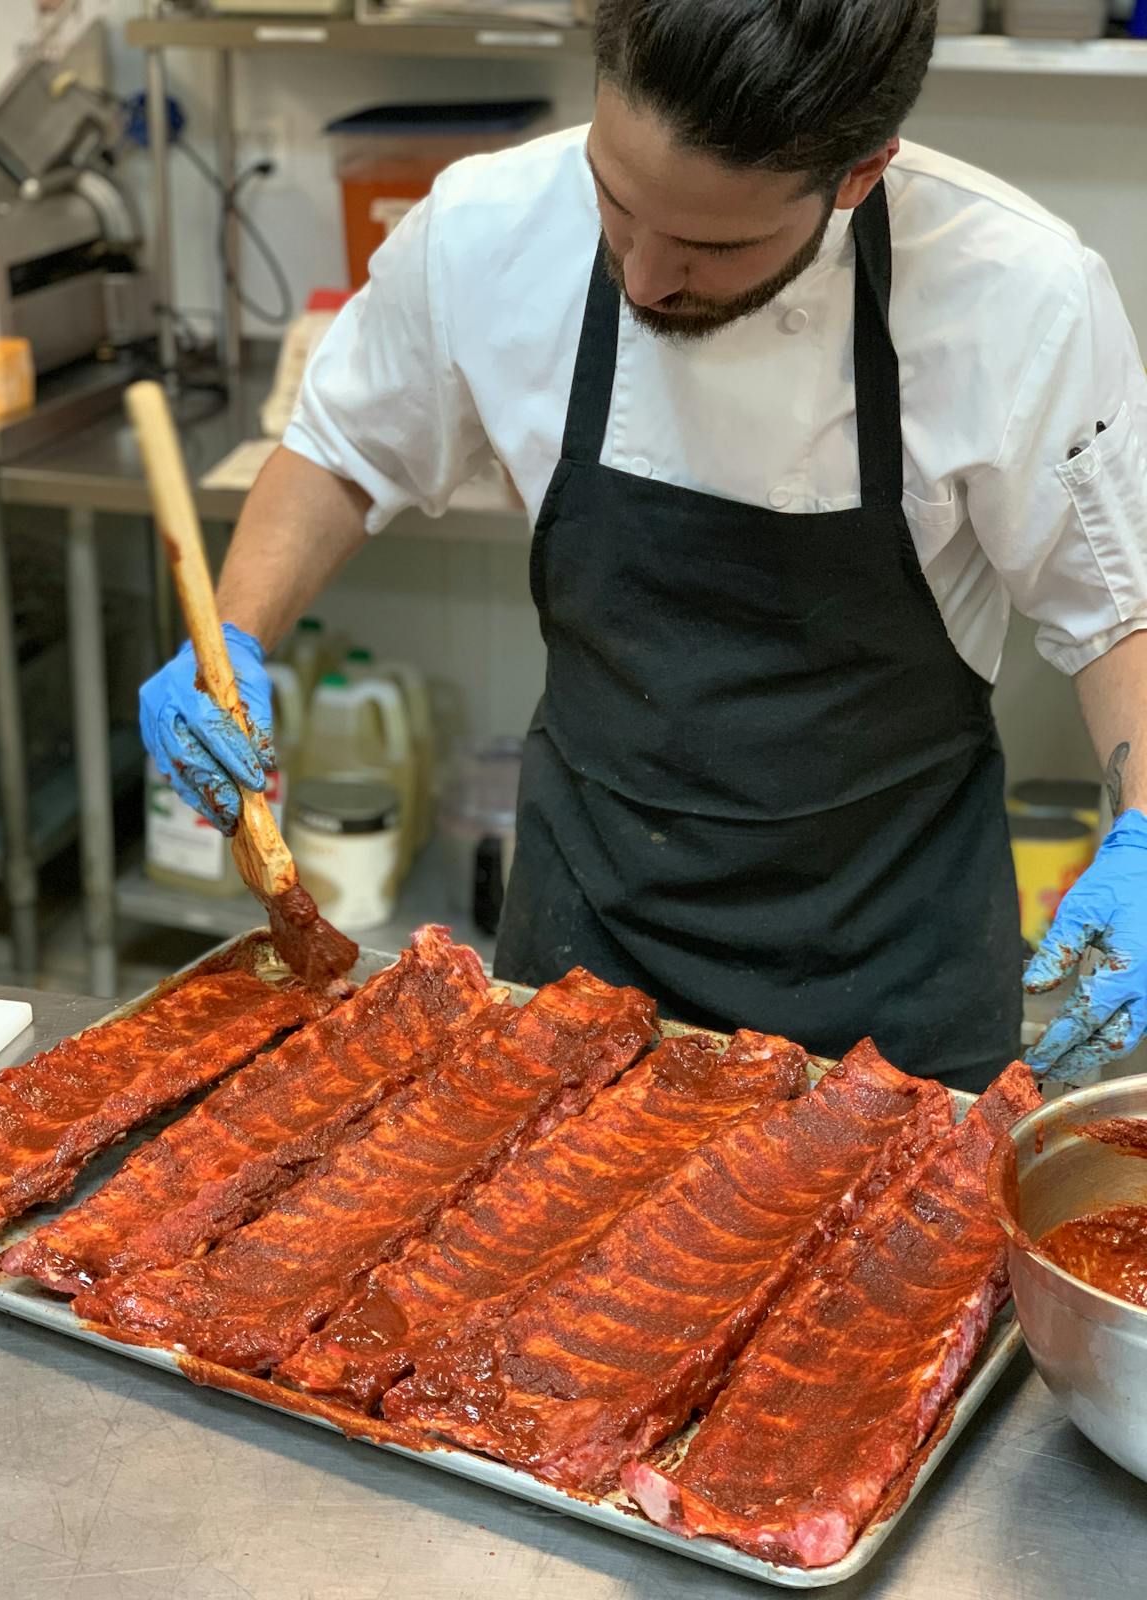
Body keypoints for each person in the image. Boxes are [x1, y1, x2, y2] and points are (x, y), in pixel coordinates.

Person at [140, 0, 1147, 1094]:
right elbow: (343, 451)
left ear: (858, 174)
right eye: (616, 203)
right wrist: (231, 634)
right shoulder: (486, 228)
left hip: (895, 993)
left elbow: (1121, 614)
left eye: (715, 245)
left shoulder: (1017, 297)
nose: (648, 273)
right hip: (583, 952)